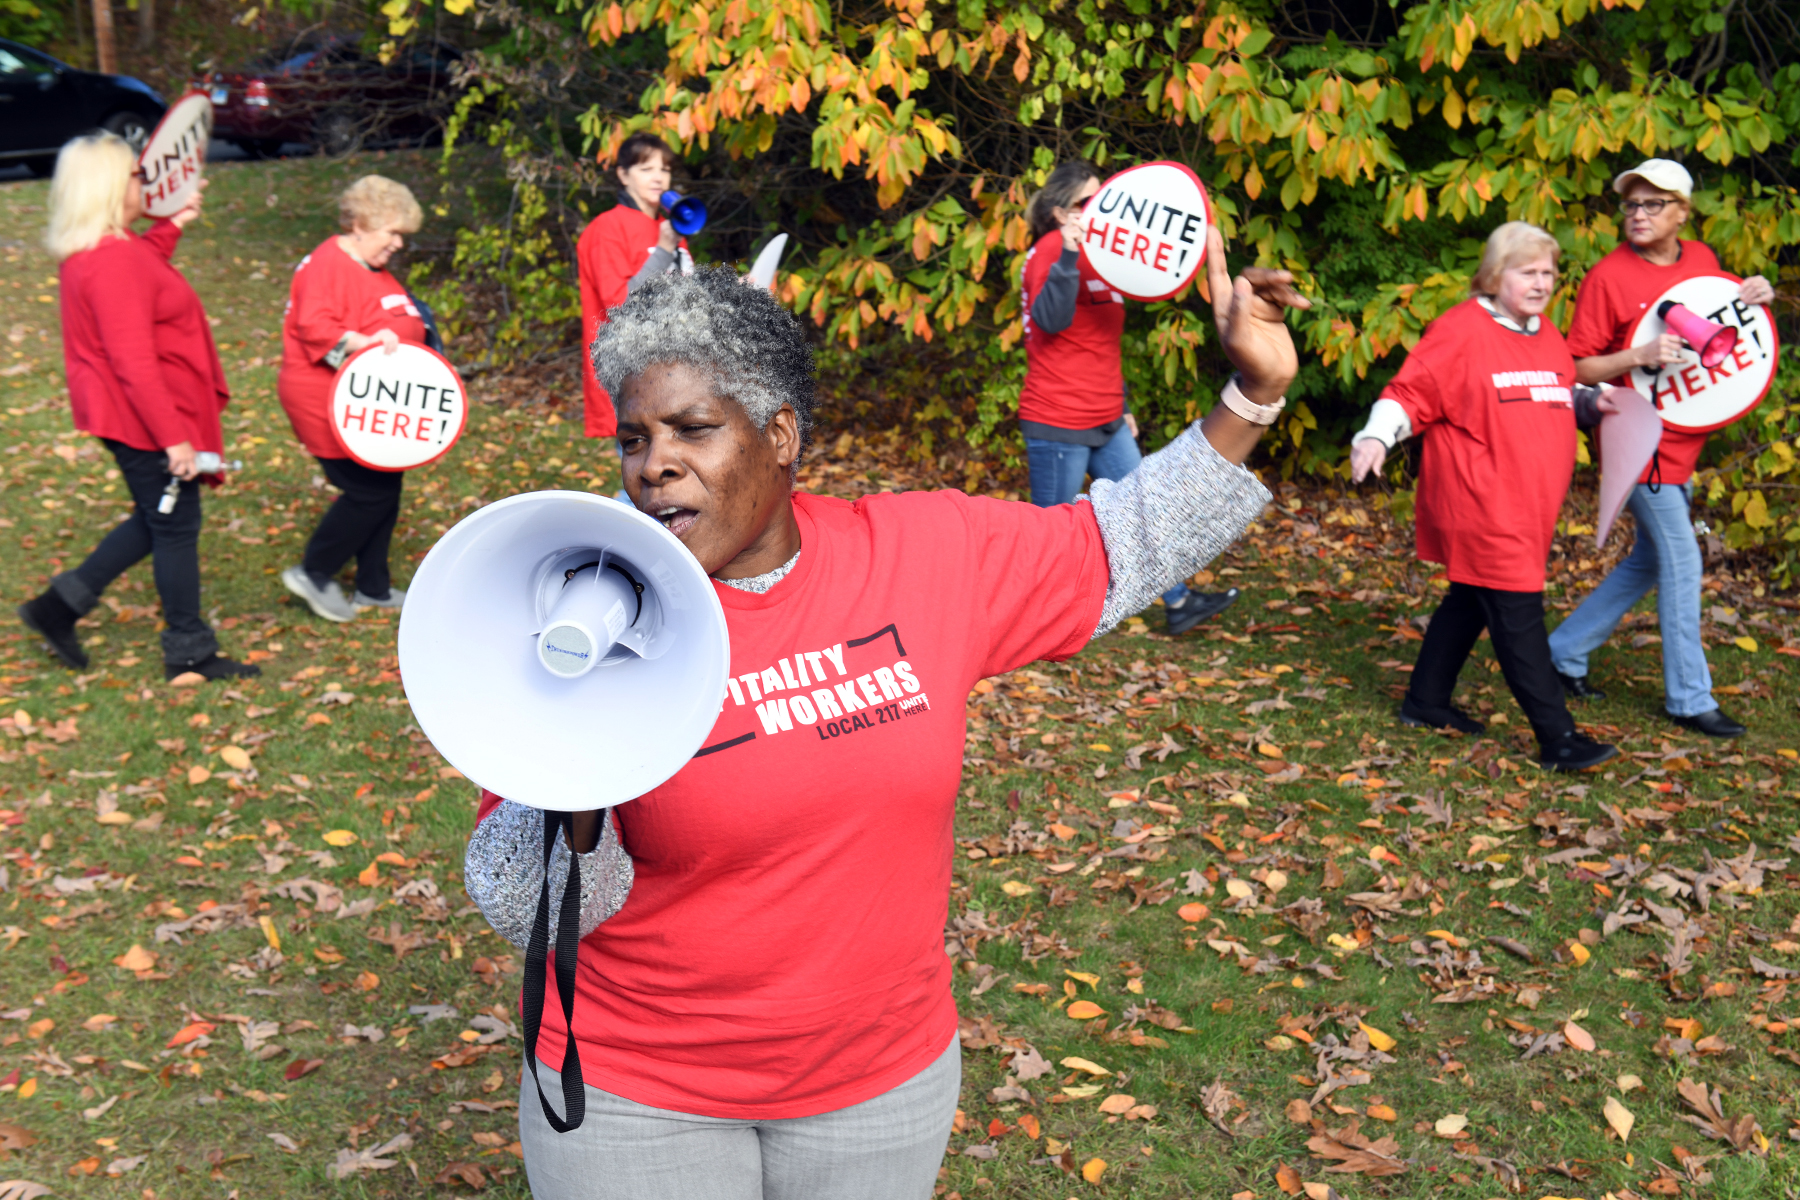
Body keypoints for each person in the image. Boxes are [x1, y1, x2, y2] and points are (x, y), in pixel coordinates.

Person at [461, 234, 1307, 1199]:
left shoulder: (924, 554)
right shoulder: (583, 612)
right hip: (640, 1096)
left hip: (878, 1085)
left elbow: (1124, 544)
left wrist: (1251, 397)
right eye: (635, 439)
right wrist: (577, 762)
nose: (654, 467)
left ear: (779, 434)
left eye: (693, 430)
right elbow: (531, 905)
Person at [1349, 221, 1617, 772]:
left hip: (1529, 504)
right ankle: (1558, 737)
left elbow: (1554, 391)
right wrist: (1376, 435)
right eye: (1527, 272)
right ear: (1495, 275)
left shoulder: (1543, 331)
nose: (1541, 283)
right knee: (1517, 614)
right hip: (1483, 502)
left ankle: (1425, 702)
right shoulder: (1461, 331)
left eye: (1548, 273)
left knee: (1471, 598)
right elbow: (1409, 390)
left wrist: (1593, 403)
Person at [1546, 159, 1776, 739]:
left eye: (1653, 205)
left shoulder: (1702, 264)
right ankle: (1689, 698)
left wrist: (1754, 298)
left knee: (1651, 559)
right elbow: (1575, 367)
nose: (1638, 215)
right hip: (1635, 437)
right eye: (1630, 205)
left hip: (1684, 440)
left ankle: (1562, 653)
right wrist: (1637, 358)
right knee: (1681, 560)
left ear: (1682, 212)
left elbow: (1727, 336)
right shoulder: (1608, 277)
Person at [18, 133, 258, 683]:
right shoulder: (112, 261)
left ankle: (56, 608)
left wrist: (174, 223)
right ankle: (189, 654)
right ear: (108, 187)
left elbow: (143, 268)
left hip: (128, 413)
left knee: (159, 518)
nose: (143, 182)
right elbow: (133, 360)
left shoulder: (104, 250)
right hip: (143, 416)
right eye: (134, 175)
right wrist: (174, 439)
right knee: (176, 525)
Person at [1019, 160, 1239, 635]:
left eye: (1106, 200)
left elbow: (1099, 344)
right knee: (1053, 536)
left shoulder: (1108, 257)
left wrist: (1122, 406)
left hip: (1106, 419)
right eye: (1088, 203)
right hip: (1059, 419)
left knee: (1148, 513)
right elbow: (1050, 323)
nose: (1101, 211)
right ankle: (1035, 625)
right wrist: (1068, 257)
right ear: (1061, 213)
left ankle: (1179, 603)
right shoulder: (1052, 251)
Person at [276, 175, 427, 623]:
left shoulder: (368, 267)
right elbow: (313, 326)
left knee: (385, 485)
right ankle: (315, 571)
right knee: (369, 492)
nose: (399, 243)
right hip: (327, 400)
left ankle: (372, 587)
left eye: (403, 234)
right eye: (393, 232)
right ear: (361, 224)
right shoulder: (328, 264)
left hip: (376, 402)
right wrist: (360, 343)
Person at [576, 133, 694, 443]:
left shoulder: (669, 230)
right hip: (629, 376)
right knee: (644, 483)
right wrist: (663, 251)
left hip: (674, 373)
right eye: (646, 169)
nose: (658, 177)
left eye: (664, 169)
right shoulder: (607, 228)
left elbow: (684, 298)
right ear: (623, 174)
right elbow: (620, 306)